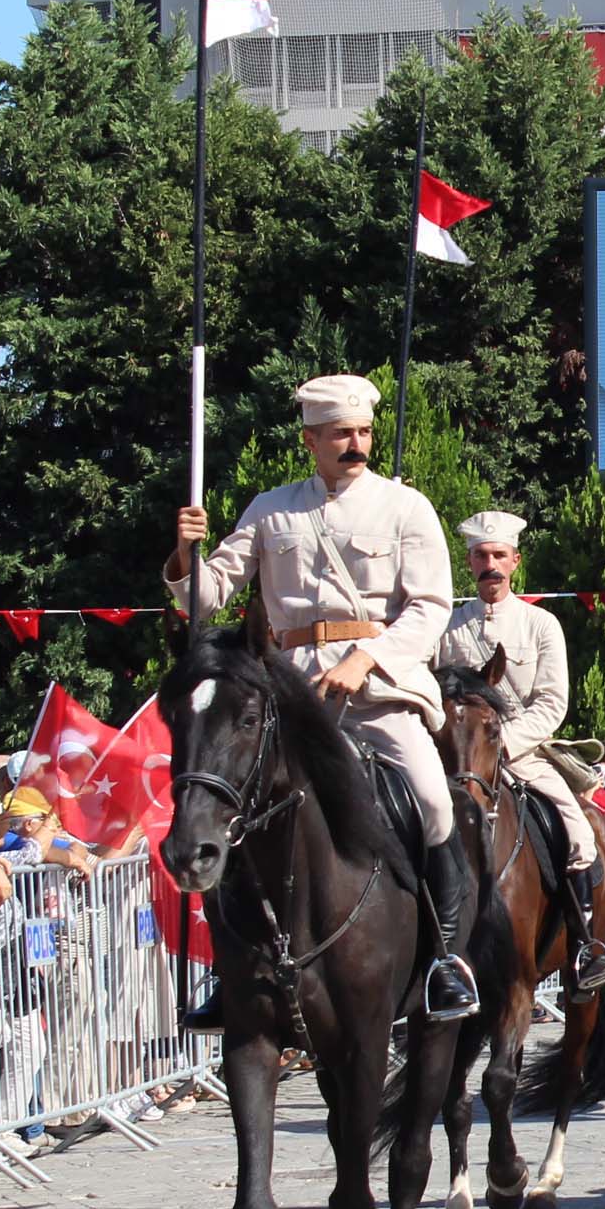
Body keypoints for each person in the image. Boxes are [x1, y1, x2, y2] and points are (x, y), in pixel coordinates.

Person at [166, 371, 477, 1023]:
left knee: (430, 799)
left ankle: (447, 960)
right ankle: (236, 971)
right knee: (235, 809)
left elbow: (429, 608)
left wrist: (366, 658)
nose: (355, 442)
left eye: (363, 431)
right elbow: (206, 597)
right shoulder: (271, 509)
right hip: (290, 697)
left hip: (379, 688)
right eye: (341, 433)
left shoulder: (404, 508)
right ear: (311, 439)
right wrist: (184, 553)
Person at [439, 509, 605, 991]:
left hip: (524, 753)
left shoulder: (541, 624)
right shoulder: (447, 628)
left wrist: (505, 748)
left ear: (515, 561)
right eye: (480, 556)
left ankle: (584, 946)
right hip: (458, 762)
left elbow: (552, 702)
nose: (489, 565)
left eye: (498, 555)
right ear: (469, 562)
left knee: (578, 832)